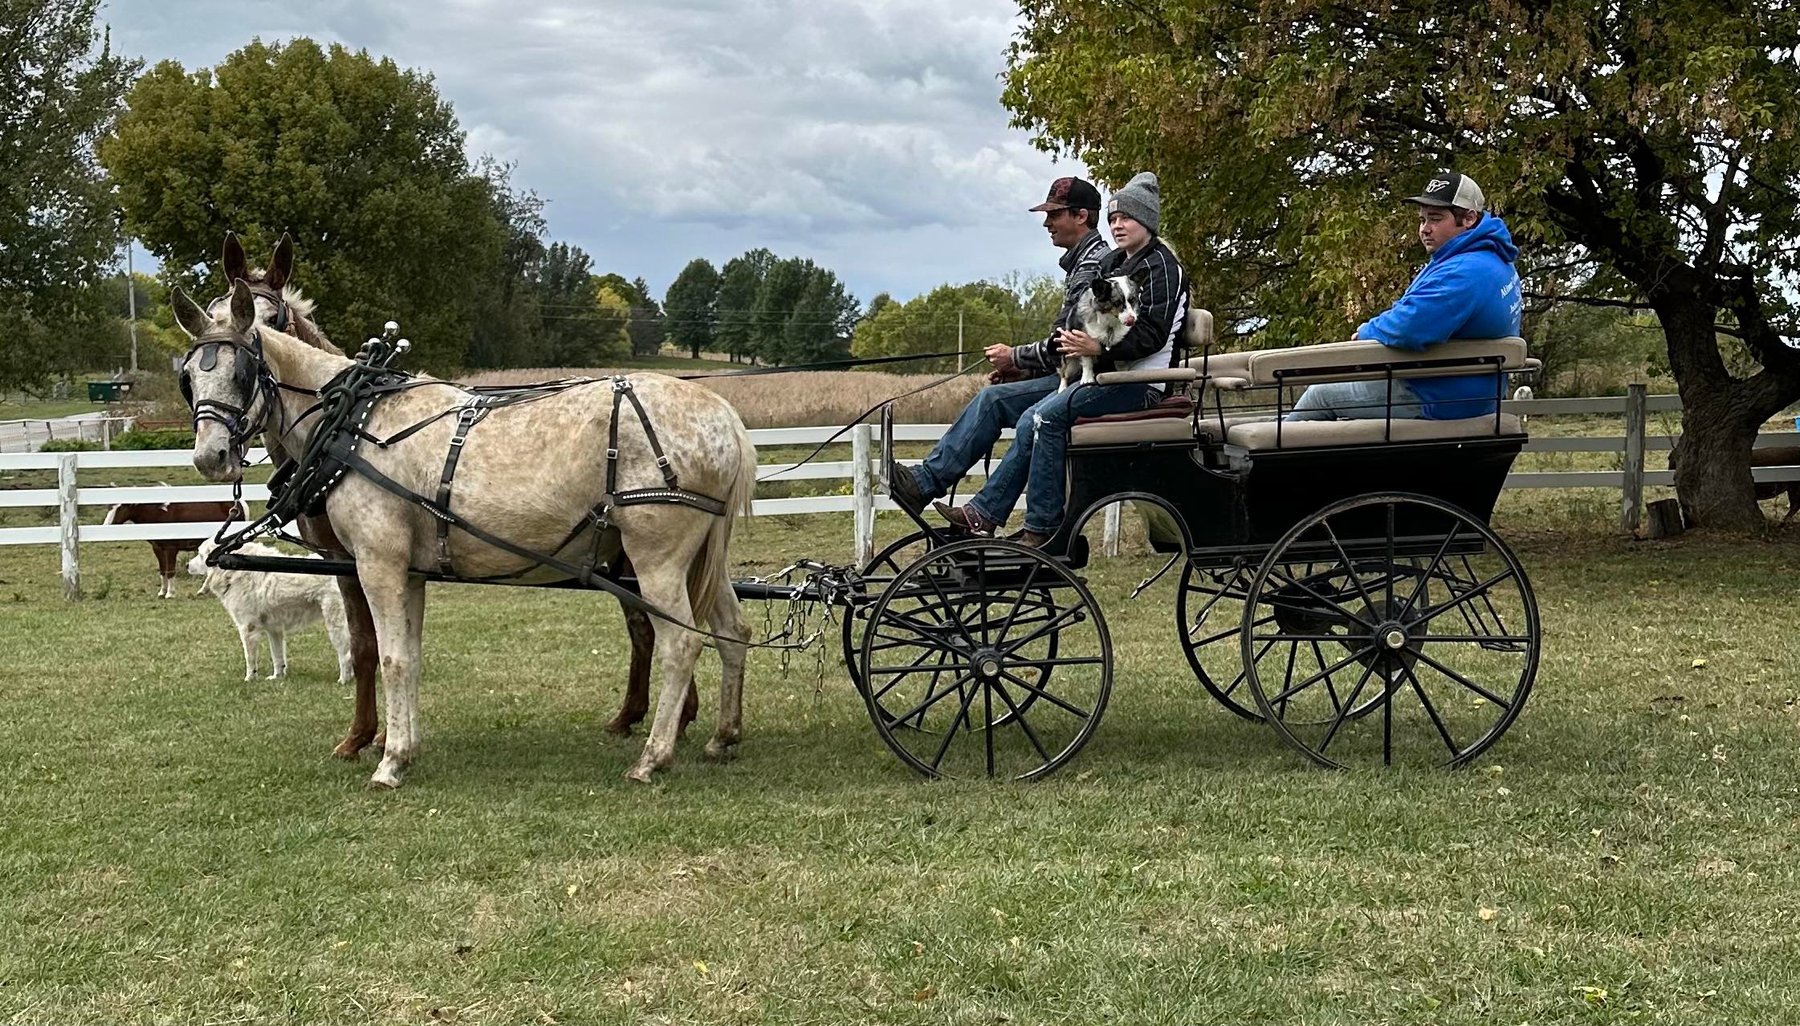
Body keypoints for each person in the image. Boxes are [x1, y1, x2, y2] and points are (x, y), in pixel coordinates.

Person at [890, 171, 1191, 548]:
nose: (1117, 225)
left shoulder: (1161, 266)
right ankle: (924, 486)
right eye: (1113, 218)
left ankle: (1041, 527)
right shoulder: (1117, 262)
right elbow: (1077, 320)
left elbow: (1152, 334)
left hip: (1138, 386)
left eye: (1126, 218)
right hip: (1097, 376)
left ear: (1146, 220)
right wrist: (1034, 362)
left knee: (1044, 415)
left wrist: (1097, 350)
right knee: (994, 399)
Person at [1287, 170, 1523, 421]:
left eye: (1435, 219)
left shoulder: (1465, 272)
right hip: (1468, 390)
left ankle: (1269, 459)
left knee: (1321, 394)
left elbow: (1409, 325)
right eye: (1422, 220)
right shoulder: (1491, 259)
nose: (1424, 229)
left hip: (1441, 397)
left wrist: (1367, 332)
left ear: (1468, 218)